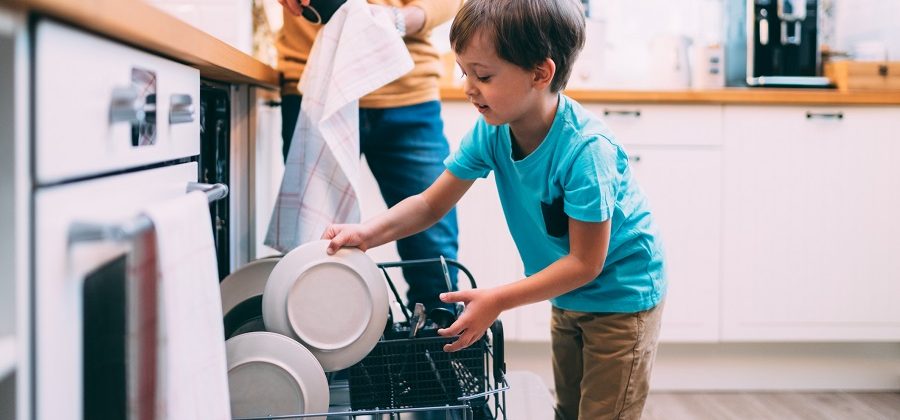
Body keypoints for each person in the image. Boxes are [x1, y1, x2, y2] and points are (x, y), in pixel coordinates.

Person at [321, 0, 667, 418]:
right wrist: (367, 233)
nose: (469, 87)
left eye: (483, 75)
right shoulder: (493, 132)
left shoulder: (586, 152)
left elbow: (585, 262)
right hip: (568, 295)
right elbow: (431, 203)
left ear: (541, 73)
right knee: (571, 409)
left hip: (621, 297)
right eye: (464, 71)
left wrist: (498, 300)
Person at [275, 0, 463, 311]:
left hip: (406, 88)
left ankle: (436, 353)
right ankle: (324, 353)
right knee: (315, 250)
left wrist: (398, 20)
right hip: (315, 81)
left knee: (433, 255)